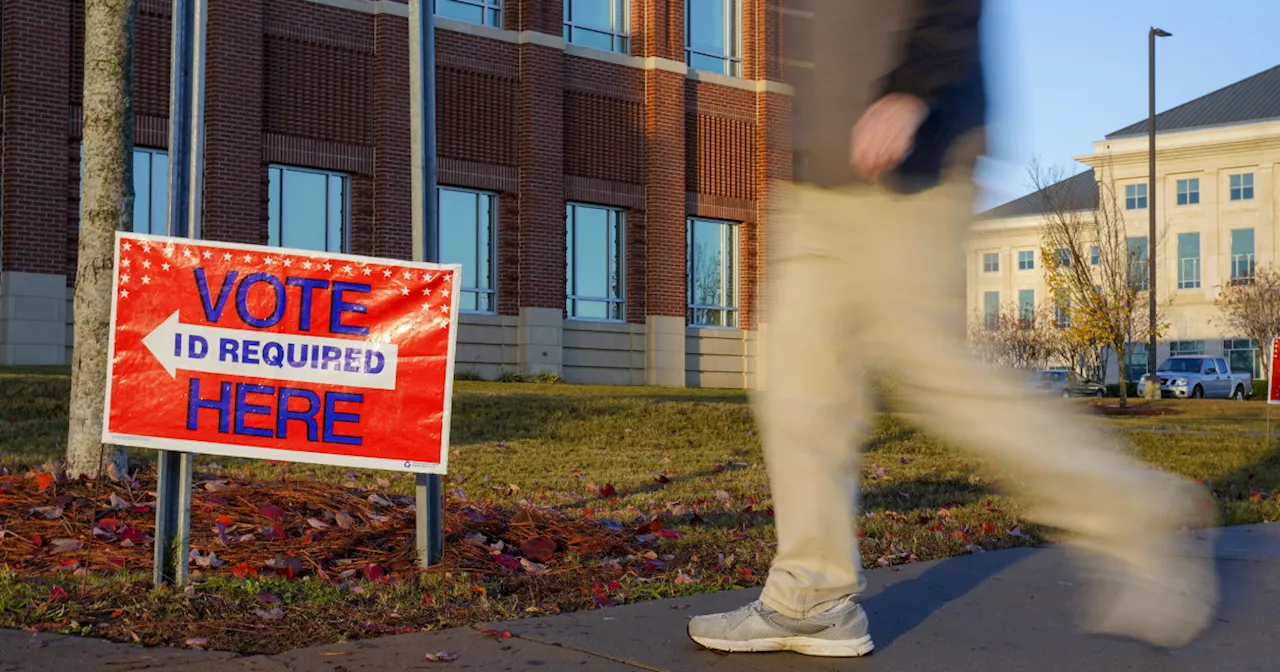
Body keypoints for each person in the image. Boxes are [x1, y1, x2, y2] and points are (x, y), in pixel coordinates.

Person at [687, 0, 1218, 657]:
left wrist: (913, 89)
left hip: (907, 166)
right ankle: (809, 597)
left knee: (938, 376)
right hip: (822, 178)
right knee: (797, 384)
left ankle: (1133, 511)